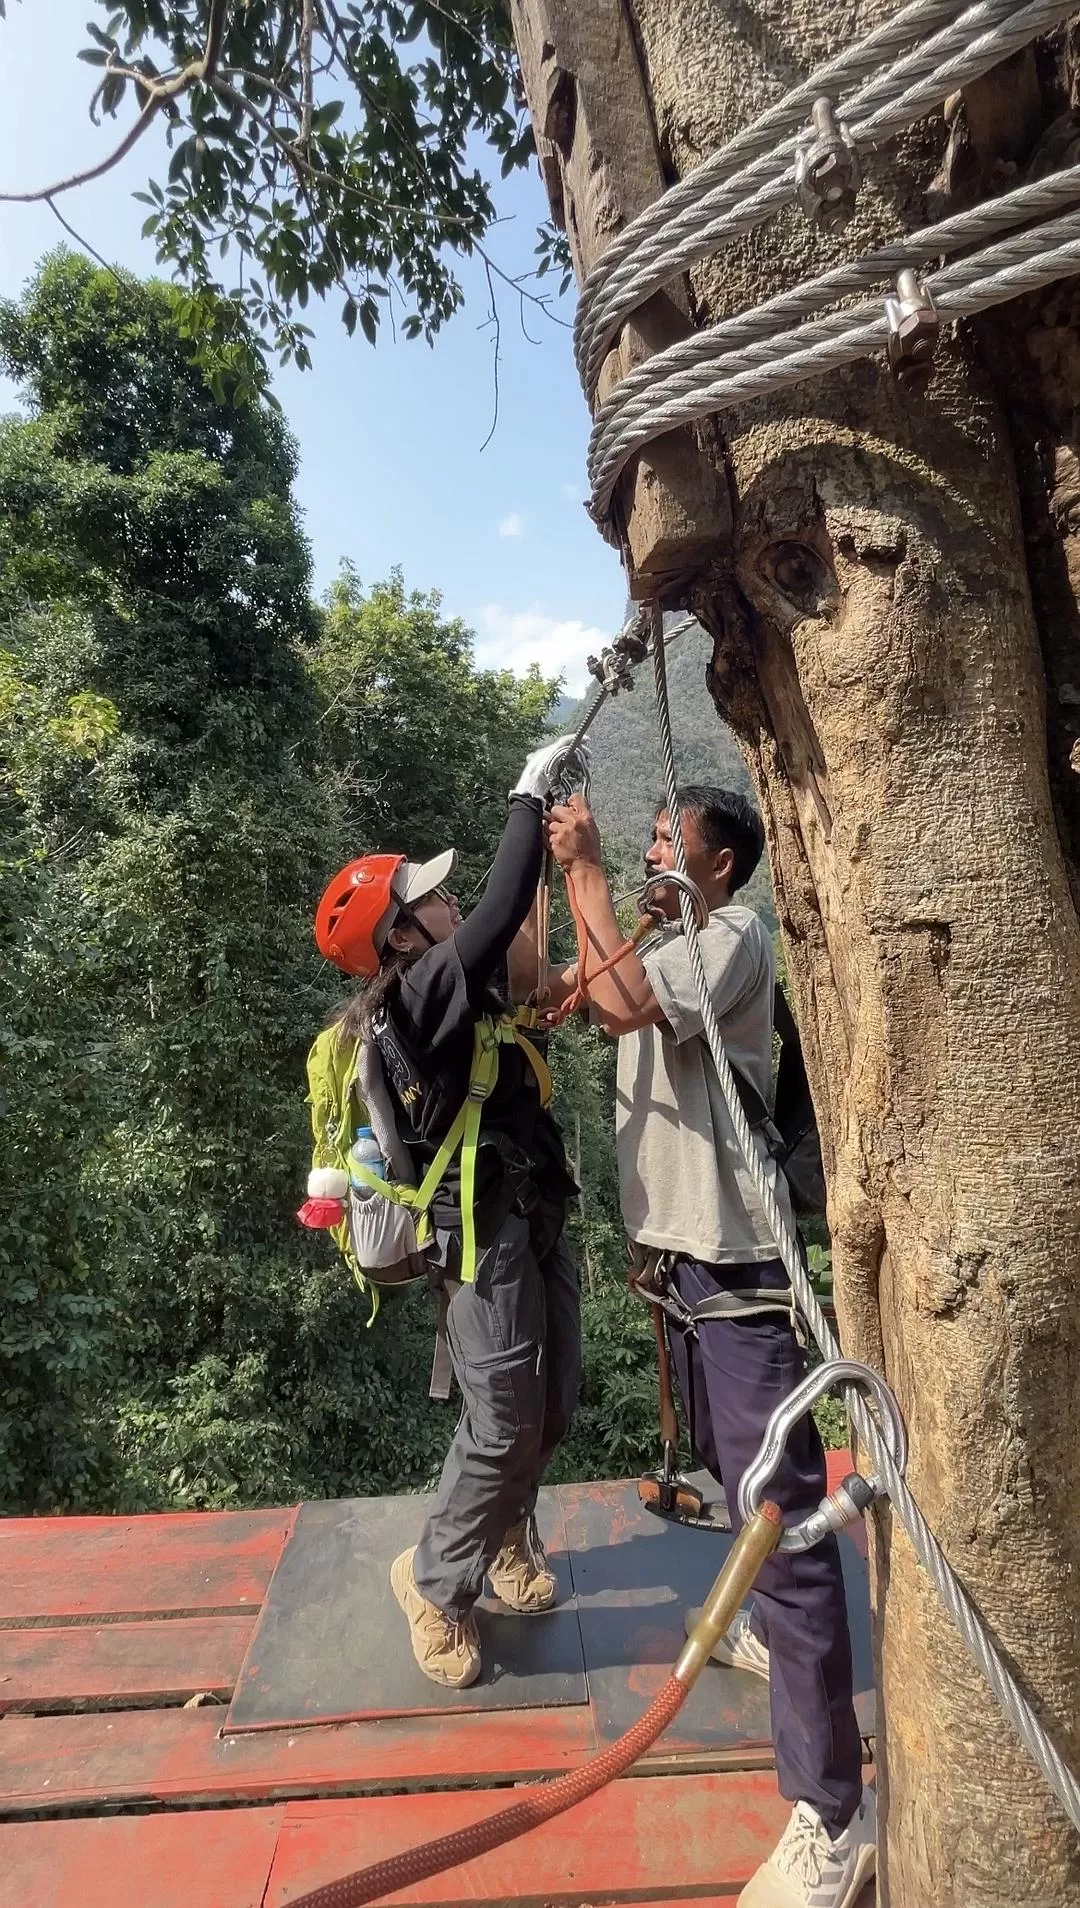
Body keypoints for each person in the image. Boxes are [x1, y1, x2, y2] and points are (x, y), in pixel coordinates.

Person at [540, 784, 875, 1908]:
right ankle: (773, 1646)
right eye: (641, 841)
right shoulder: (659, 935)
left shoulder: (728, 936)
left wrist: (584, 872)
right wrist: (553, 883)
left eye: (665, 842)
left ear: (722, 866)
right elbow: (573, 994)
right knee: (743, 1491)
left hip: (734, 1265)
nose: (646, 855)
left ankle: (834, 1813)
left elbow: (627, 1008)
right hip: (682, 1261)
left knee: (782, 1517)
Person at [314, 739, 583, 1692]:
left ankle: (504, 1542)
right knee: (504, 1420)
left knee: (550, 1409)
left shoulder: (453, 989)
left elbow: (525, 955)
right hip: (481, 1228)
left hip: (533, 1202)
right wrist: (527, 792)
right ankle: (435, 1581)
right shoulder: (417, 993)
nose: (447, 903)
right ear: (397, 938)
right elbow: (503, 906)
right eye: (428, 899)